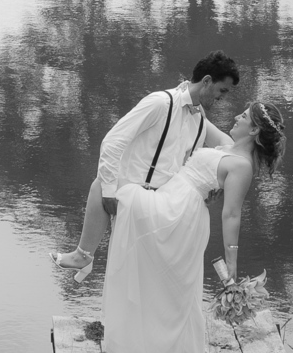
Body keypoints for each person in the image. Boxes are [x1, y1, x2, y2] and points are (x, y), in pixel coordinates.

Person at [101, 101, 286, 353]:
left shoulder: (242, 167)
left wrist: (232, 264)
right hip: (171, 205)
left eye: (243, 116)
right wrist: (185, 93)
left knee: (179, 298)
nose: (236, 116)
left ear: (253, 130)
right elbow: (198, 114)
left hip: (178, 216)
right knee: (171, 294)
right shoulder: (227, 145)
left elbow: (231, 215)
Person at [50, 51, 241, 283]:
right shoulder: (161, 103)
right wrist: (109, 192)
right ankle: (84, 255)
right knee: (102, 185)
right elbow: (113, 142)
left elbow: (227, 149)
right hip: (142, 197)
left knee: (101, 186)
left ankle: (83, 254)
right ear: (207, 81)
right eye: (222, 91)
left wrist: (214, 185)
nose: (223, 98)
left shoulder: (199, 119)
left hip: (166, 205)